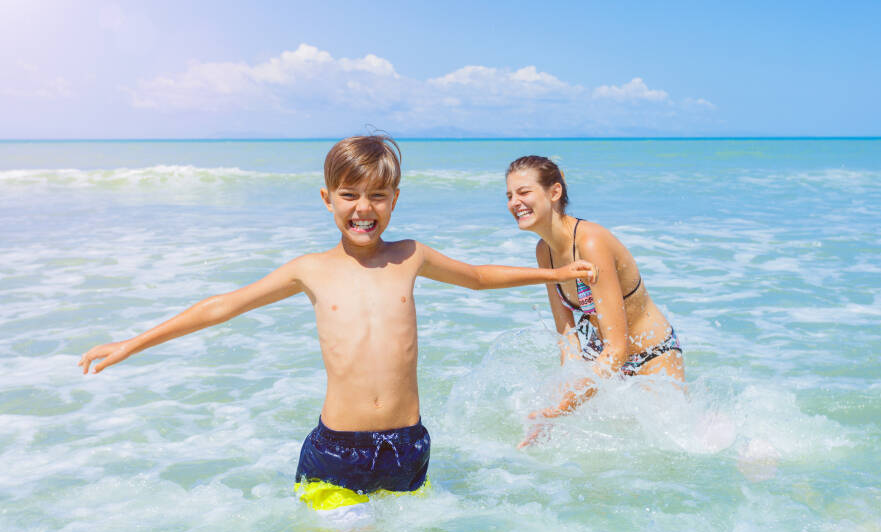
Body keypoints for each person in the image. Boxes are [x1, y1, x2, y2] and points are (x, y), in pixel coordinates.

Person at [79, 136, 597, 511]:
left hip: (409, 448)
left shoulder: (410, 255)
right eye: (349, 195)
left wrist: (554, 271)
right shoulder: (311, 270)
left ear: (394, 199)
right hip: (336, 452)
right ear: (328, 199)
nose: (363, 209)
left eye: (377, 196)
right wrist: (135, 341)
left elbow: (479, 277)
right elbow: (223, 306)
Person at [504, 156, 684, 447]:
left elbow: (619, 346)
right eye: (510, 195)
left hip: (652, 358)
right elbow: (568, 338)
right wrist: (555, 403)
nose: (514, 202)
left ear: (554, 192)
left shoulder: (590, 243)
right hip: (605, 362)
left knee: (675, 448)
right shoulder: (544, 252)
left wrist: (563, 408)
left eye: (524, 192)